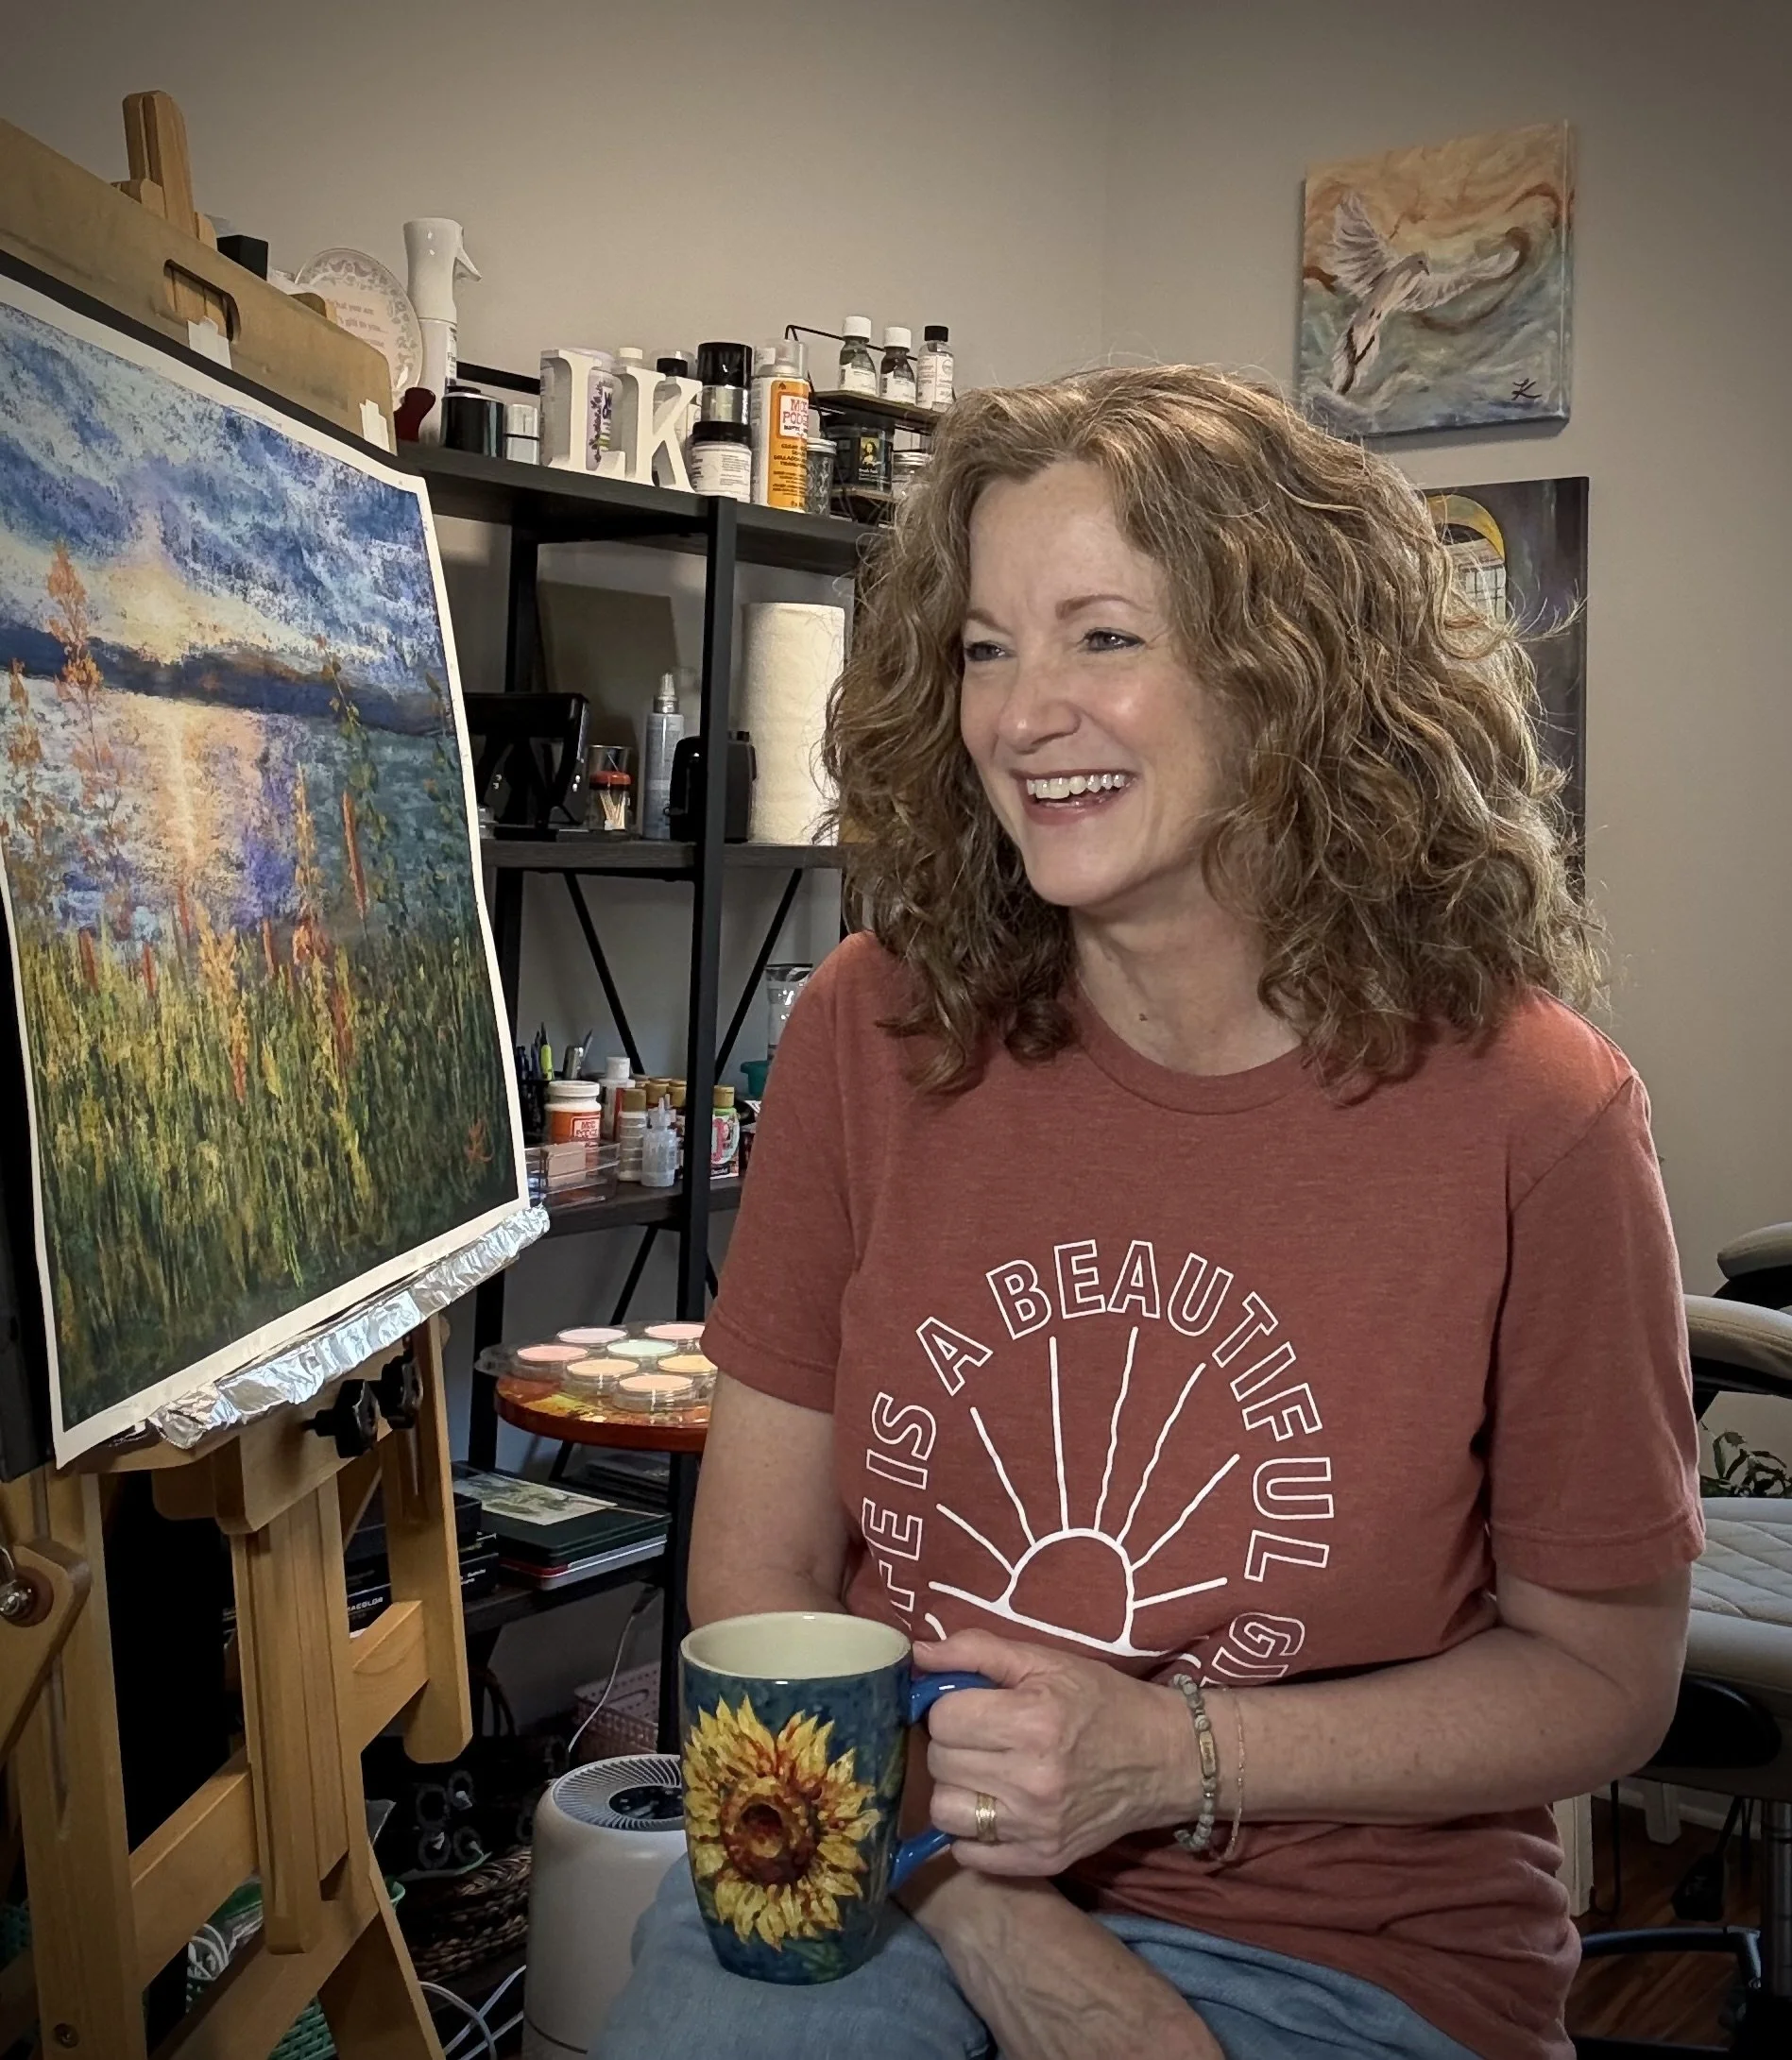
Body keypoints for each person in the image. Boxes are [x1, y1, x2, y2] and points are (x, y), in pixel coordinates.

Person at [595, 366, 1701, 2060]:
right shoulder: (872, 1029)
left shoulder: (1535, 1115)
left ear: (1290, 677)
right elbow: (756, 1568)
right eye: (984, 646)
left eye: (1103, 636)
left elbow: (1602, 1682)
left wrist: (1169, 1753)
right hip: (879, 1853)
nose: (1023, 714)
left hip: (1353, 1936)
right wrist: (996, 1918)